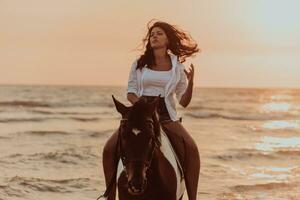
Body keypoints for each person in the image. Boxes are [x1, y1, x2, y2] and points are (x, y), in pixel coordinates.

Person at [102, 20, 200, 200]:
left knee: (192, 149)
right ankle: (110, 195)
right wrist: (143, 108)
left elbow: (183, 102)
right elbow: (131, 92)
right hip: (140, 116)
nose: (154, 36)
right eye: (152, 34)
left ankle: (193, 198)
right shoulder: (139, 63)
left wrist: (191, 84)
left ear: (168, 40)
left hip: (166, 117)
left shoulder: (177, 67)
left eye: (159, 33)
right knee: (109, 149)